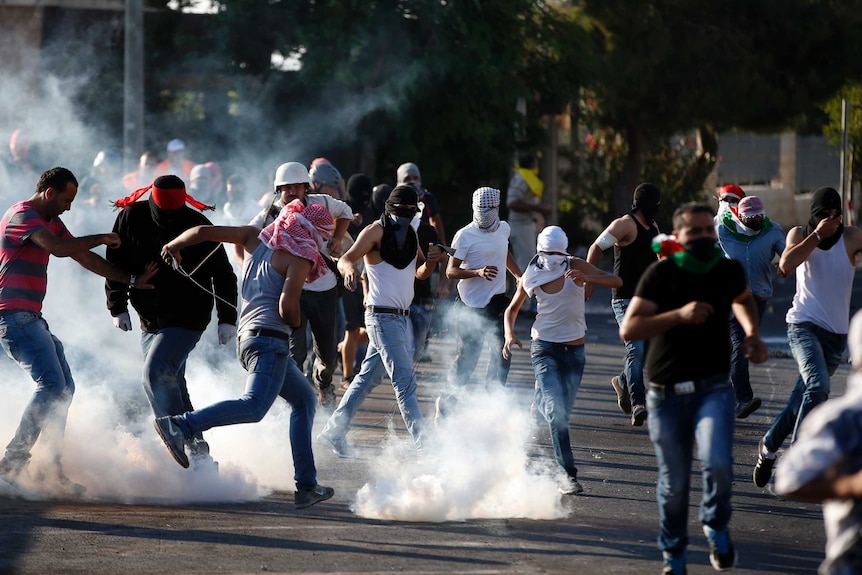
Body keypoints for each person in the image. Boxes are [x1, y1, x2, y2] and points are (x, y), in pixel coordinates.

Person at [154, 199, 335, 509]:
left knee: (304, 400)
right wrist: (295, 324)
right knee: (254, 407)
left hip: (248, 338)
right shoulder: (299, 256)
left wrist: (173, 245)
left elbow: (201, 231)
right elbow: (287, 308)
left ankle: (307, 486)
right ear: (315, 233)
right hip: (271, 341)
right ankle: (179, 425)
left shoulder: (255, 237)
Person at [619, 202, 767, 575]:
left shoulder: (726, 270)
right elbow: (629, 328)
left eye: (708, 230)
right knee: (675, 485)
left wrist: (751, 333)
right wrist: (678, 315)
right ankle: (675, 556)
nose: (703, 237)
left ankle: (715, 525)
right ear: (678, 236)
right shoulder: (661, 274)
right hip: (665, 394)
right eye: (694, 232)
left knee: (718, 463)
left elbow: (744, 298)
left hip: (713, 388)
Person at [0, 167, 156, 494]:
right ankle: (13, 463)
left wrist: (129, 281)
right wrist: (101, 236)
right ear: (49, 193)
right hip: (13, 316)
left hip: (30, 317)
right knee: (52, 383)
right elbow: (57, 248)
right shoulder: (22, 215)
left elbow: (84, 258)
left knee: (64, 388)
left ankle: (49, 470)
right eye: (67, 200)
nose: (69, 207)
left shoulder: (51, 221)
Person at [106, 175, 238, 470]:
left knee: (154, 374)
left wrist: (227, 318)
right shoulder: (130, 217)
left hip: (189, 315)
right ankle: (200, 456)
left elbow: (224, 274)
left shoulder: (198, 223)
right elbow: (116, 263)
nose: (168, 216)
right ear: (152, 200)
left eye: (173, 210)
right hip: (149, 317)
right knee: (173, 382)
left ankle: (178, 439)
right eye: (162, 210)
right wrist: (118, 306)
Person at [317, 185, 445, 457]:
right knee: (405, 381)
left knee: (367, 379)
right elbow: (345, 258)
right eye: (402, 210)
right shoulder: (375, 230)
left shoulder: (411, 233)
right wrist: (350, 269)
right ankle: (426, 448)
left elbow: (420, 272)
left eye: (411, 211)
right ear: (389, 207)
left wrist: (432, 261)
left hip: (399, 319)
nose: (405, 215)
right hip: (380, 316)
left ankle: (333, 432)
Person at [753, 186, 862, 488]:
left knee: (800, 400)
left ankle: (768, 447)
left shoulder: (851, 236)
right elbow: (786, 266)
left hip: (836, 335)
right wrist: (817, 236)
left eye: (836, 215)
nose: (831, 220)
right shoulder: (799, 235)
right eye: (824, 215)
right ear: (813, 216)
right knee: (818, 386)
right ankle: (798, 457)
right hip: (803, 326)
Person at [503, 226, 621, 496]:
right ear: (540, 251)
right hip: (544, 348)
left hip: (575, 351)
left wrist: (587, 276)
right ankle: (568, 475)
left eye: (559, 253)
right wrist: (509, 334)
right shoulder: (532, 273)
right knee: (558, 416)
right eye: (548, 253)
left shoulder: (575, 264)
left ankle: (540, 400)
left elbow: (617, 282)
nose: (554, 258)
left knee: (561, 412)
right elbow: (511, 310)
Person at [243, 162, 353, 409]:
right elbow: (246, 241)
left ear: (306, 187)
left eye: (297, 186)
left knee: (327, 357)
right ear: (278, 189)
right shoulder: (269, 215)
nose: (292, 191)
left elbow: (345, 212)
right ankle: (296, 400)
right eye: (287, 187)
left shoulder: (322, 203)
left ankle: (323, 384)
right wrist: (248, 271)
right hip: (291, 290)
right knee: (295, 353)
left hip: (325, 290)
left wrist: (336, 238)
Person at [775, 310, 862, 575]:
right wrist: (850, 485)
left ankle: (769, 444)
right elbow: (790, 479)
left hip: (830, 328)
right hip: (852, 563)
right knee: (815, 387)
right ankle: (771, 444)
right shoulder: (846, 419)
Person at [436, 187, 521, 419]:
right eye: (480, 209)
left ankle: (492, 402)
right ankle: (447, 399)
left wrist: (518, 276)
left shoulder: (504, 229)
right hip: (470, 305)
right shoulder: (464, 235)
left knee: (502, 350)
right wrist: (477, 272)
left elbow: (504, 254)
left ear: (497, 208)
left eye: (488, 209)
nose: (484, 213)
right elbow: (452, 271)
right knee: (469, 357)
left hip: (497, 302)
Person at [586, 182, 661, 426]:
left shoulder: (653, 226)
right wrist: (592, 281)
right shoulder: (624, 224)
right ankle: (638, 402)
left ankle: (621, 381)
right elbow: (596, 247)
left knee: (646, 352)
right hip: (624, 298)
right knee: (635, 349)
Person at [717, 193, 785, 419]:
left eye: (760, 215)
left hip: (759, 298)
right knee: (740, 345)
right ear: (740, 217)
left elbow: (787, 255)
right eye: (751, 217)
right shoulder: (723, 229)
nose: (756, 220)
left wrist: (787, 264)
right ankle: (742, 399)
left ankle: (723, 390)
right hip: (732, 298)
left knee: (734, 347)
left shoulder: (772, 230)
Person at [506, 154, 552, 278]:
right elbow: (512, 203)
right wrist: (537, 208)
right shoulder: (521, 179)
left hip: (528, 224)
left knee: (530, 261)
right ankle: (524, 296)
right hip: (520, 225)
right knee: (525, 263)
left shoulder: (528, 178)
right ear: (532, 165)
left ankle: (526, 295)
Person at [397, 162, 446, 244]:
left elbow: (435, 220)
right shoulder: (394, 199)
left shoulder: (427, 198)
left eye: (415, 178)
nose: (412, 181)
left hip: (424, 240)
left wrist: (441, 245)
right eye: (407, 179)